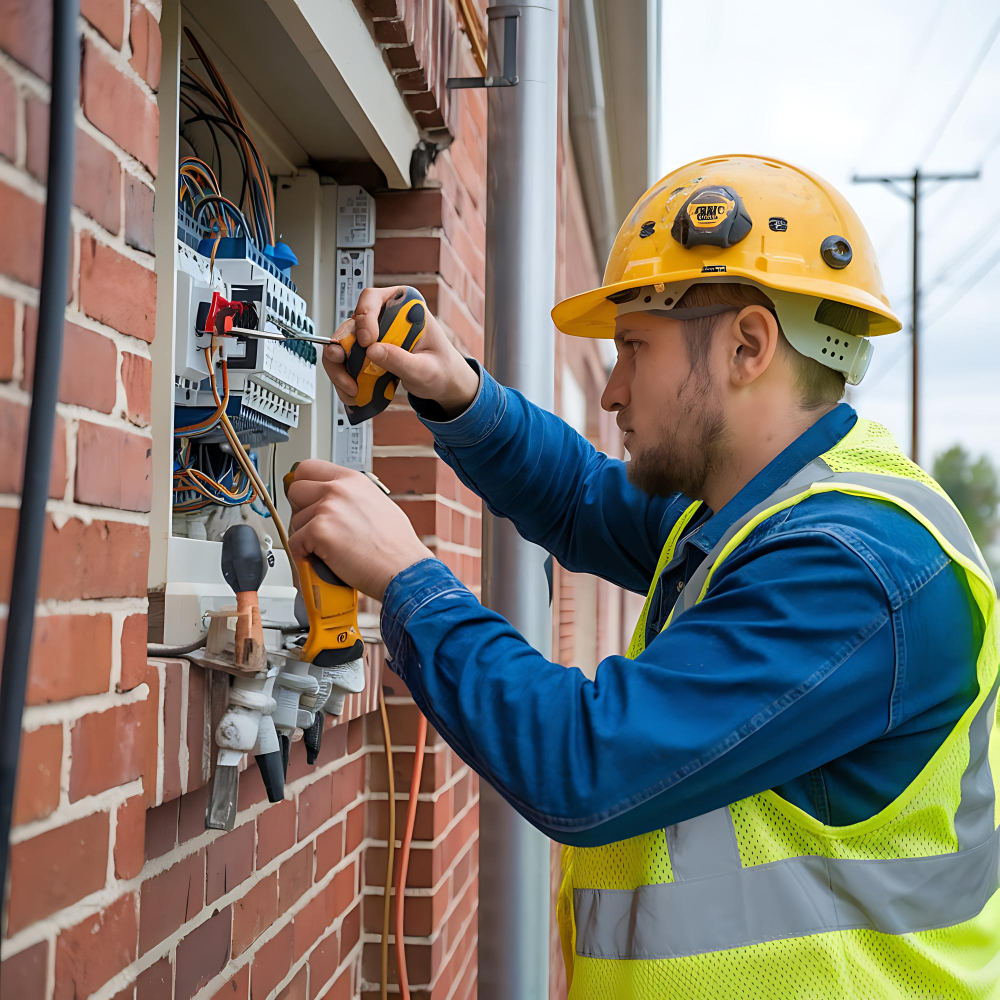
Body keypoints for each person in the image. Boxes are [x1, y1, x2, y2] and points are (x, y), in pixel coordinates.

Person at [286, 155, 999, 998]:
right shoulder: (744, 514)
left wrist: (410, 578)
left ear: (747, 345)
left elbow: (586, 762)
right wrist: (457, 391)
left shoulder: (854, 568)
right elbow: (588, 498)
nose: (614, 389)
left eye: (633, 347)